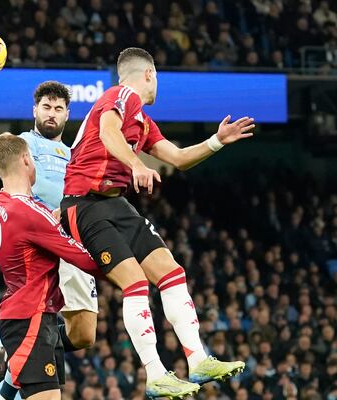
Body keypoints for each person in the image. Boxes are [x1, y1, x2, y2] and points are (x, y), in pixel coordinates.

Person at [60, 47, 251, 398]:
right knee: (135, 282)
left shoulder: (143, 121)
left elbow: (177, 158)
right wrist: (135, 164)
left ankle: (197, 359)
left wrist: (216, 141)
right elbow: (107, 132)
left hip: (114, 203)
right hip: (83, 204)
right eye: (157, 77)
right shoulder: (122, 95)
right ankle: (156, 374)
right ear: (149, 74)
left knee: (170, 270)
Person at [0, 81, 99, 398]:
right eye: (46, 107)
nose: (51, 114)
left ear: (66, 115)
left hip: (72, 236)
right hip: (42, 240)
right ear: (35, 110)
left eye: (58, 108)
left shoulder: (74, 154)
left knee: (85, 333)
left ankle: (9, 352)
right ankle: (16, 347)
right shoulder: (22, 144)